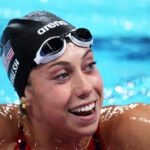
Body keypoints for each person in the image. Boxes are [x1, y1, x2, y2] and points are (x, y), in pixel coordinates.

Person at [0, 11, 150, 150]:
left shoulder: (132, 130)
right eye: (62, 75)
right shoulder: (7, 134)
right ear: (26, 95)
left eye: (89, 66)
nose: (86, 88)